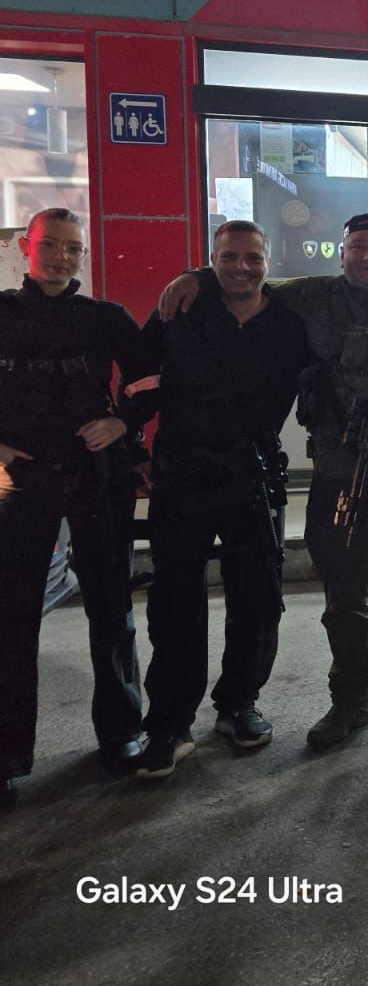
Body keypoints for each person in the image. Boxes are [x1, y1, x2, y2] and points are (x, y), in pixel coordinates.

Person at [159, 214, 368, 750]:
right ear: (342, 253)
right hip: (338, 477)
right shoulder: (313, 296)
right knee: (343, 597)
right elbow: (247, 279)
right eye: (358, 247)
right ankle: (350, 701)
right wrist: (197, 276)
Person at [134, 221, 314, 778]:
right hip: (182, 474)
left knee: (258, 597)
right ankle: (169, 723)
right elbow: (139, 380)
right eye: (229, 257)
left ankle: (238, 704)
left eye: (253, 257)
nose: (242, 267)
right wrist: (134, 445)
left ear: (268, 262)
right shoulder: (180, 310)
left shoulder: (288, 324)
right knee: (175, 601)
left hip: (254, 477)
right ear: (211, 260)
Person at [0, 208, 147, 803]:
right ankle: (6, 755)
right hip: (18, 481)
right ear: (24, 247)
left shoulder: (106, 319)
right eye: (50, 245)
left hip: (96, 479)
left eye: (72, 248)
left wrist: (122, 422)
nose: (61, 257)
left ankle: (122, 733)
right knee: (10, 618)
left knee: (111, 610)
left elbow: (151, 380)